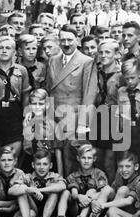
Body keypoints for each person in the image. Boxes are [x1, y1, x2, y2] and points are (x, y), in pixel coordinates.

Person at [45, 24, 98, 177]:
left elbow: (89, 94)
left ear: (77, 40)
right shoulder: (53, 60)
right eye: (63, 40)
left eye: (70, 40)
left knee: (71, 158)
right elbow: (49, 90)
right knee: (56, 158)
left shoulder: (86, 61)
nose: (66, 44)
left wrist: (82, 123)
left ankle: (73, 194)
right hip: (55, 116)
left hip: (74, 117)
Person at [51, 144, 113, 217]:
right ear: (78, 158)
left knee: (91, 191)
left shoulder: (99, 174)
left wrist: (89, 198)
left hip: (93, 210)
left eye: (89, 158)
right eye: (83, 158)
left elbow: (103, 191)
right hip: (76, 208)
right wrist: (80, 197)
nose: (86, 160)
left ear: (94, 159)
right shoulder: (73, 175)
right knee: (66, 192)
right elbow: (74, 193)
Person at [81, 151, 140, 217]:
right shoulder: (120, 176)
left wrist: (104, 205)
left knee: (123, 189)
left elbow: (128, 201)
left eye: (128, 166)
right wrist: (92, 199)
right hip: (113, 212)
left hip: (129, 216)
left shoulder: (139, 181)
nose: (124, 170)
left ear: (136, 167)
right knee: (106, 188)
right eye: (121, 166)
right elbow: (110, 191)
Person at [0, 36, 31, 169]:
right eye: (1, 48)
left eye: (8, 48)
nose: (4, 51)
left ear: (14, 52)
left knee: (13, 157)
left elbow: (25, 94)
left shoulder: (21, 70)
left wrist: (26, 116)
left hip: (14, 114)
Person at [10, 149, 67, 217]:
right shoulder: (27, 177)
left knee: (55, 191)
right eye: (38, 164)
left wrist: (39, 190)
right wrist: (28, 189)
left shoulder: (54, 176)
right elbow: (11, 190)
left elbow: (63, 186)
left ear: (51, 165)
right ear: (33, 165)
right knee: (21, 190)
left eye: (45, 164)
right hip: (33, 211)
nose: (41, 167)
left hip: (50, 213)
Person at [92, 39, 122, 183]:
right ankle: (99, 188)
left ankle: (111, 191)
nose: (103, 55)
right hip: (97, 118)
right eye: (101, 52)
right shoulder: (95, 73)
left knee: (110, 161)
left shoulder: (121, 75)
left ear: (116, 54)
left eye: (108, 52)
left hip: (115, 119)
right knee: (97, 158)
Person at [23, 88, 64, 175]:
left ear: (47, 104)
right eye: (34, 104)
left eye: (41, 104)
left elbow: (58, 154)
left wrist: (60, 177)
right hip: (31, 165)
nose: (37, 107)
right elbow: (27, 151)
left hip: (50, 165)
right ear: (29, 105)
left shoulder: (54, 124)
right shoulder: (27, 122)